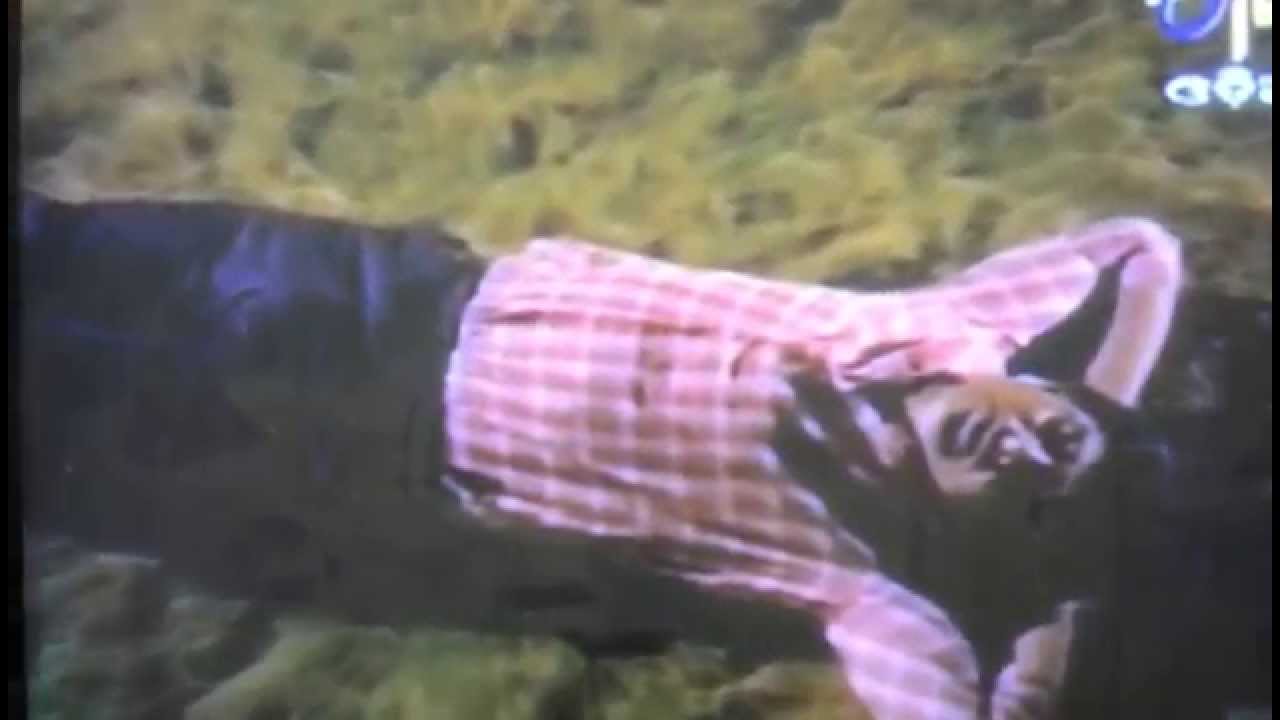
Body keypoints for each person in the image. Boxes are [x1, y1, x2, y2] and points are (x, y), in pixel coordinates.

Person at [17, 189, 1183, 719]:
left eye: (1027, 492)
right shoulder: (953, 325)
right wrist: (1102, 403)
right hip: (395, 288)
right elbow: (1139, 249)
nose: (1016, 447)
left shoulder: (866, 582)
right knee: (62, 247)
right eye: (1052, 432)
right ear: (1044, 382)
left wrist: (1048, 619)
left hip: (335, 446)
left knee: (50, 407)